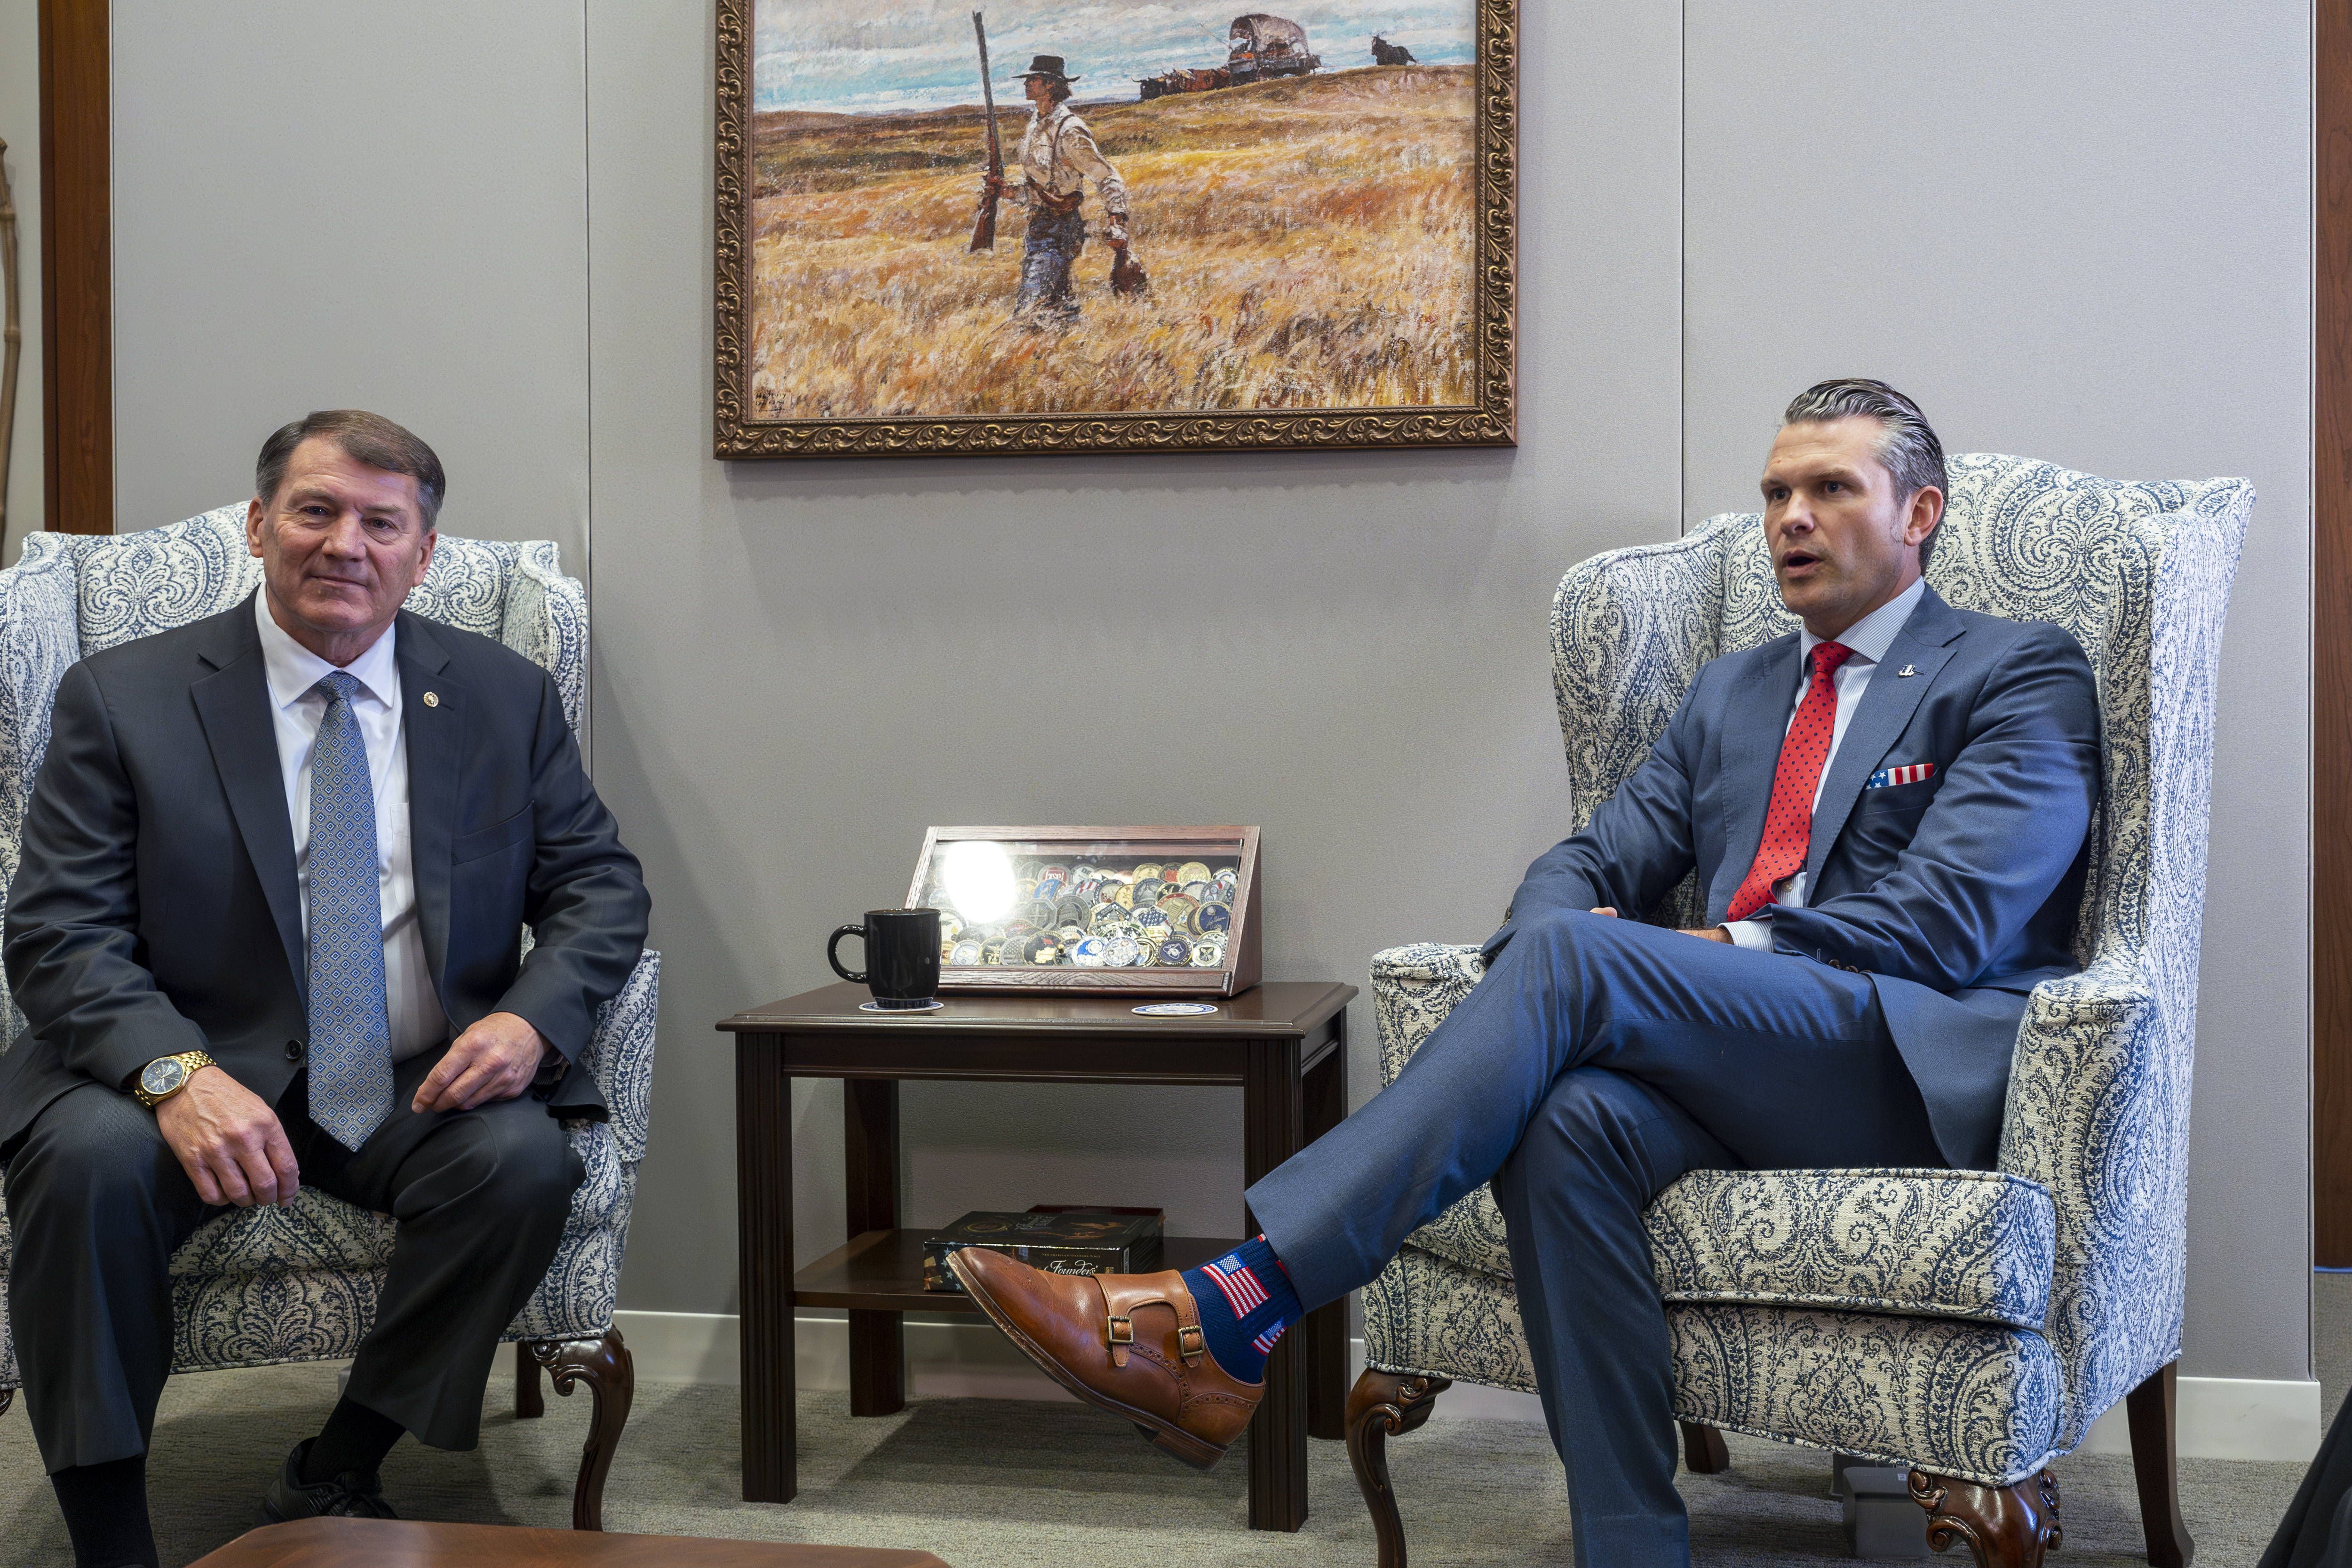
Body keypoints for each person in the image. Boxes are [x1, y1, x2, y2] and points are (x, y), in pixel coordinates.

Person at [949, 380, 2103, 1566]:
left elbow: (1949, 921)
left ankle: (1233, 1310)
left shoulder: (2017, 672)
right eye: (1773, 492)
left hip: (1897, 1062)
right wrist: (1568, 945)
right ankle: (1629, 1548)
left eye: (1829, 489)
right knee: (1564, 1122)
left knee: (1573, 962)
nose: (1789, 519)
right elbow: (1592, 859)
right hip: (1738, 1056)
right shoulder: (1735, 692)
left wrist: (1685, 953)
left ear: (1919, 513)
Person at [0, 410, 649, 1568]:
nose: (345, 544)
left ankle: (343, 1458)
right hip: (181, 1066)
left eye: (380, 522)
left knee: (521, 1163)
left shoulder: (503, 695)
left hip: (408, 1074)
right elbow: (61, 931)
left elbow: (600, 888)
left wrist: (525, 1018)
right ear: (259, 527)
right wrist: (175, 1076)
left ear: (424, 554)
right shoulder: (125, 695)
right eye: (315, 510)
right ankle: (111, 1539)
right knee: (86, 1168)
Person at [981, 55, 1133, 327]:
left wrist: (1117, 219)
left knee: (1030, 309)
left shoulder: (1069, 129)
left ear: (1051, 85)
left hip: (1060, 227)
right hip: (1039, 226)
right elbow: (1039, 187)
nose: (1027, 84)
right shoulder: (1035, 125)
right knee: (1057, 308)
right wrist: (1007, 192)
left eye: (1034, 79)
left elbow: (1105, 176)